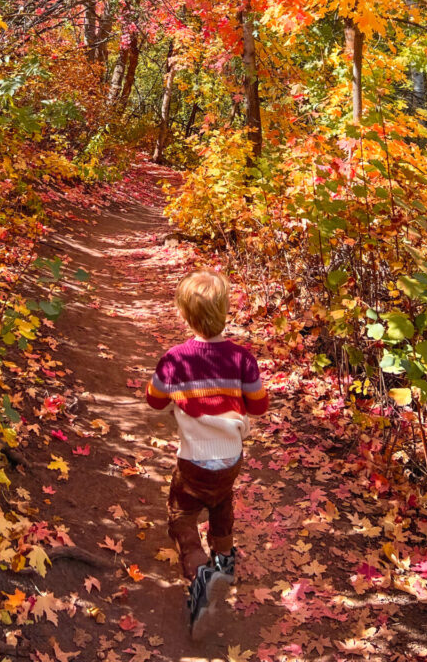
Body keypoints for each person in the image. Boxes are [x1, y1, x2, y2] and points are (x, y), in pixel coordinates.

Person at [146, 269, 269, 639]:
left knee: (182, 516)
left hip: (194, 459)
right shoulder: (242, 359)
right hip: (230, 458)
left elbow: (154, 401)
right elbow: (259, 406)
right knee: (221, 504)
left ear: (184, 315)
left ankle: (201, 572)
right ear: (226, 311)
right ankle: (225, 566)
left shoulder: (175, 360)